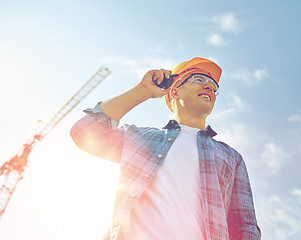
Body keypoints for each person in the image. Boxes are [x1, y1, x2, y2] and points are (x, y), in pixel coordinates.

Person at [70, 57, 261, 240]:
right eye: (199, 79)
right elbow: (83, 132)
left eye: (214, 86)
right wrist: (142, 91)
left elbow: (245, 226)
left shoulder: (231, 157)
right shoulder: (139, 138)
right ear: (174, 92)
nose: (210, 86)